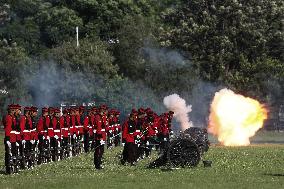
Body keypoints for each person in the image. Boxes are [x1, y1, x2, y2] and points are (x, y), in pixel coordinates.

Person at [3, 104, 17, 174]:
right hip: (10, 138)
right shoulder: (8, 117)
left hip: (13, 138)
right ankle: (8, 169)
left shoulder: (13, 117)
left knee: (13, 154)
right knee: (9, 154)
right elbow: (7, 129)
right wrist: (8, 139)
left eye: (14, 110)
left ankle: (13, 168)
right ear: (10, 111)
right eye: (13, 110)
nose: (14, 111)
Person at [93, 105, 108, 169]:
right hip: (99, 136)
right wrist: (100, 137)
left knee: (101, 150)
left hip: (103, 135)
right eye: (102, 110)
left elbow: (105, 126)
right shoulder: (97, 117)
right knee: (98, 151)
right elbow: (98, 127)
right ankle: (97, 164)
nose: (103, 111)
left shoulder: (104, 117)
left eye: (104, 110)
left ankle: (99, 162)